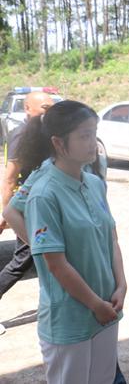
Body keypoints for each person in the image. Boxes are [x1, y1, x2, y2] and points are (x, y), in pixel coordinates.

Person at [22, 100, 126, 383]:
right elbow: (56, 265)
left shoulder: (93, 183)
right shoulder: (44, 194)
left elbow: (111, 237)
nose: (93, 142)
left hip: (107, 307)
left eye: (94, 133)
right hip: (71, 319)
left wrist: (121, 285)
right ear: (58, 143)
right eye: (84, 135)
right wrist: (95, 304)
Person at [0, 91, 54, 305]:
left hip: (45, 205)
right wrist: (5, 212)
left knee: (50, 256)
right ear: (28, 109)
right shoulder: (22, 135)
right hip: (28, 207)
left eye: (52, 107)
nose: (49, 112)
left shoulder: (48, 133)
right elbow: (10, 179)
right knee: (23, 259)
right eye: (44, 108)